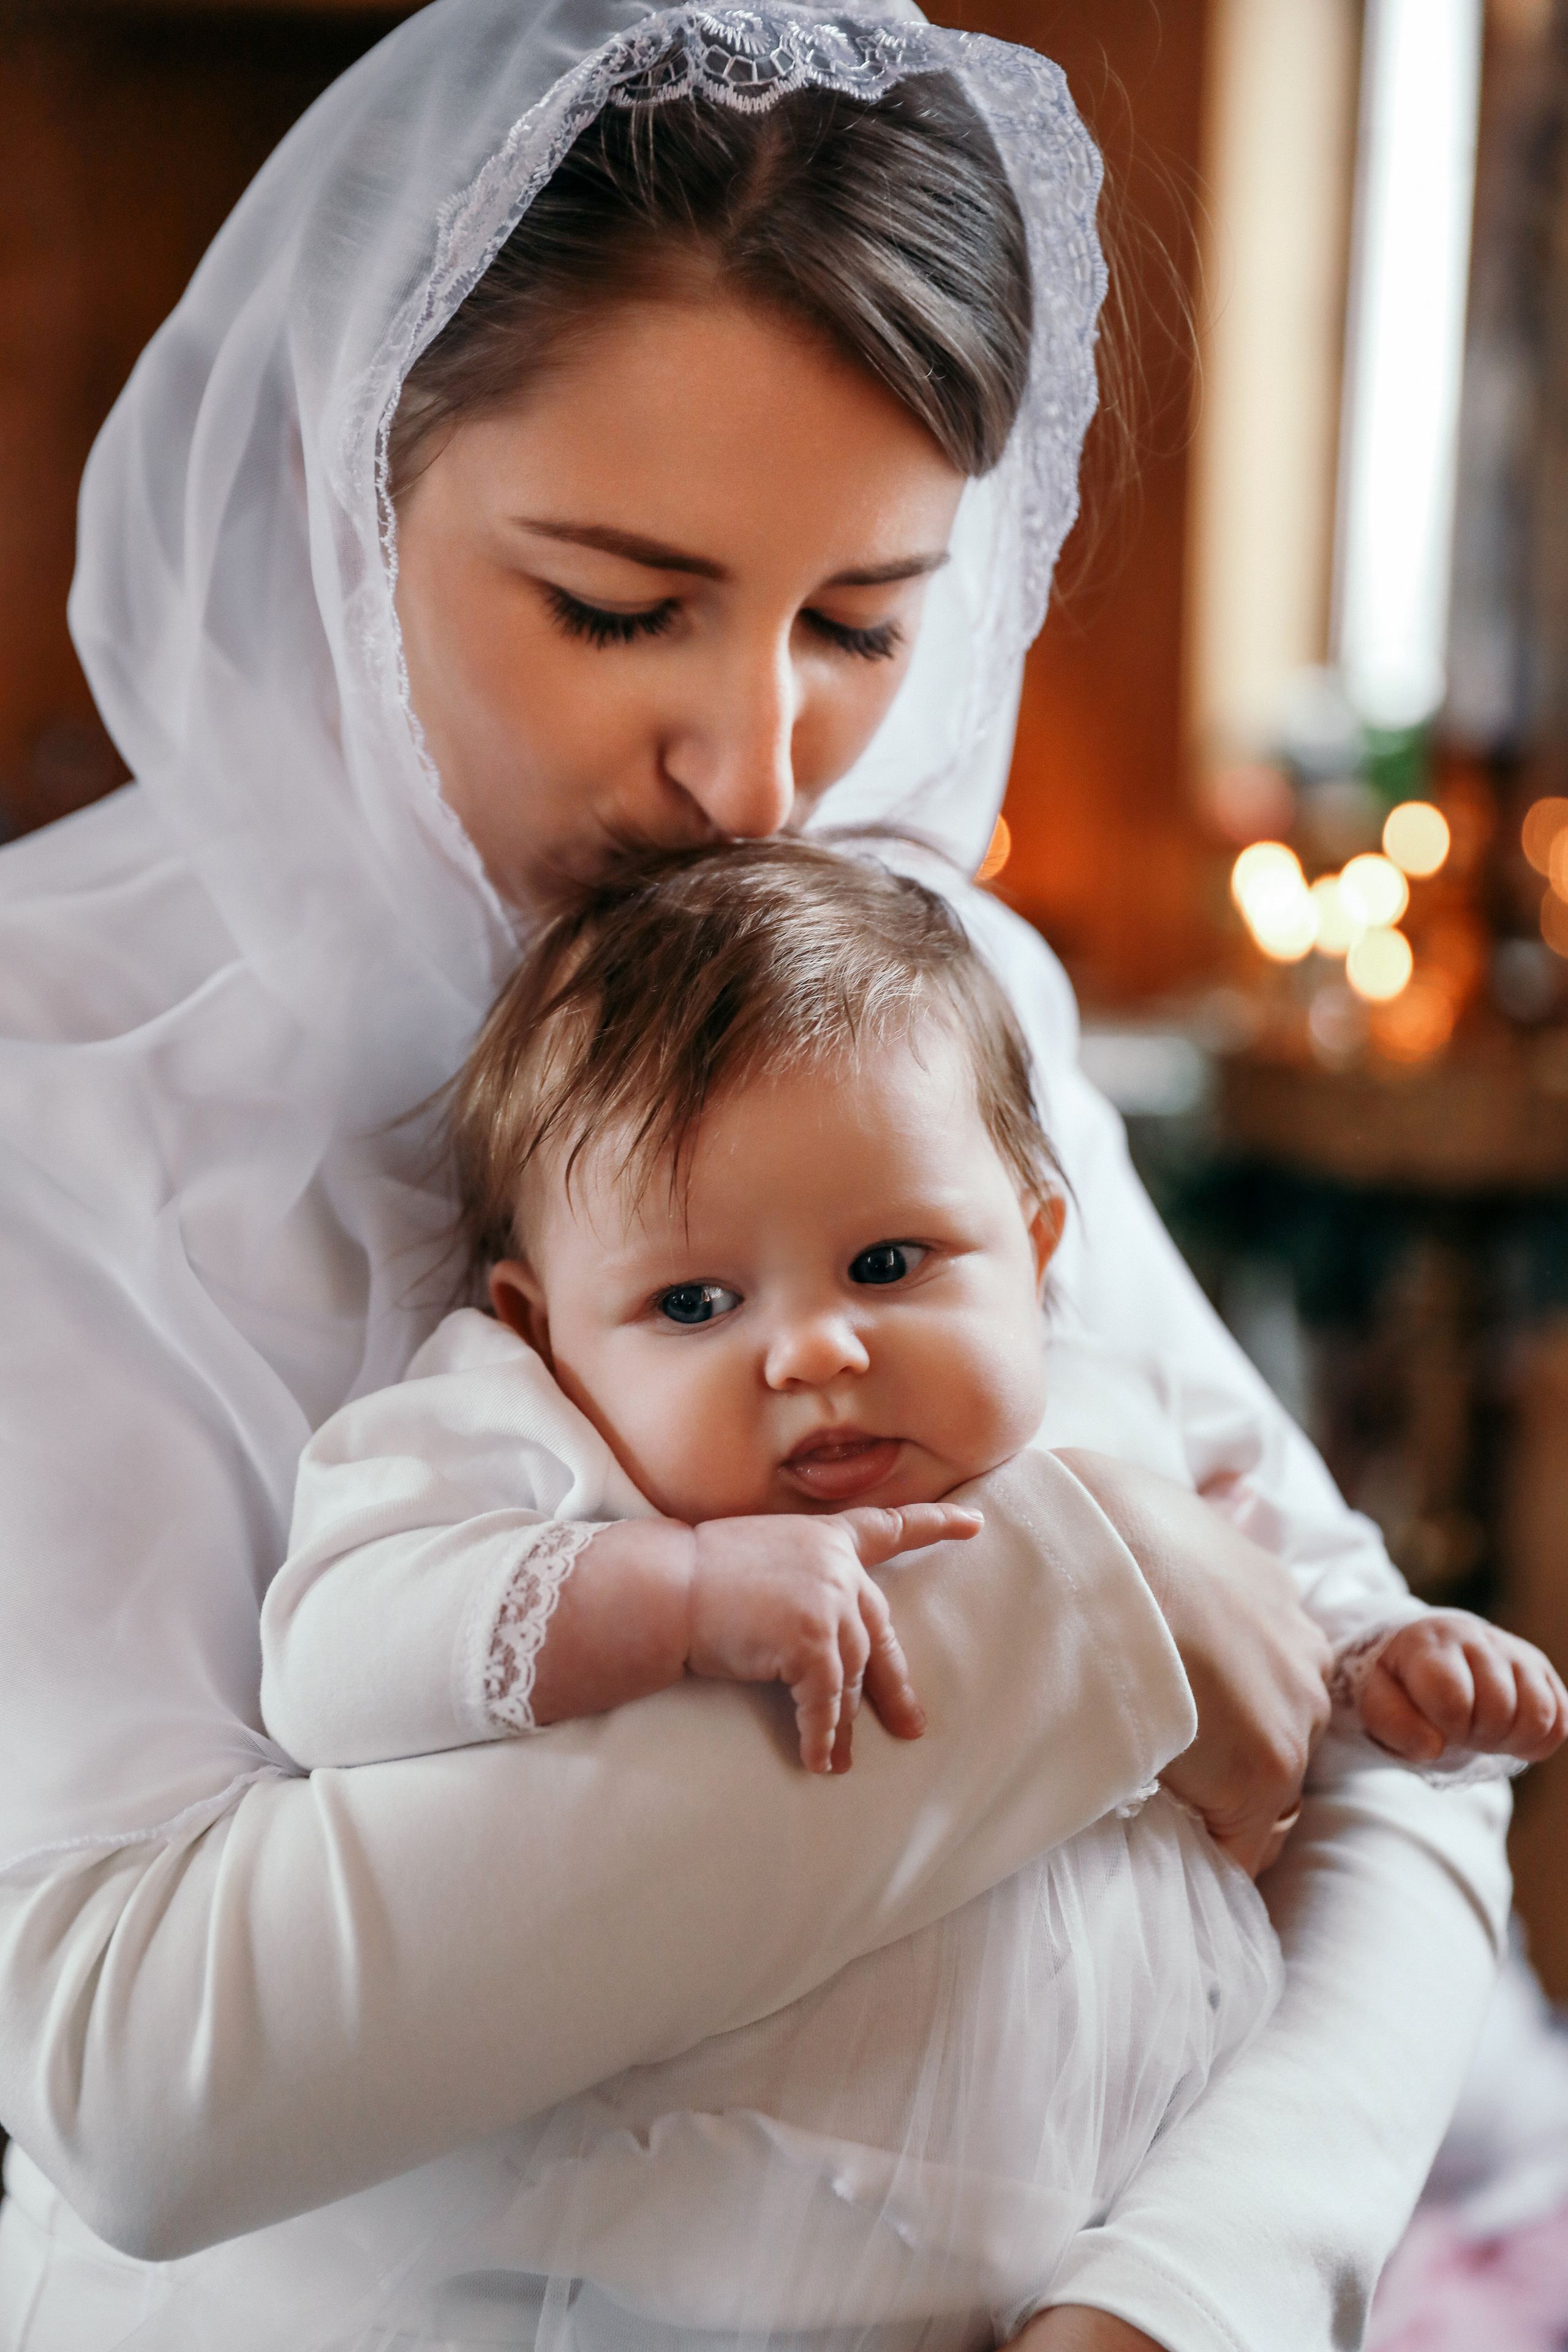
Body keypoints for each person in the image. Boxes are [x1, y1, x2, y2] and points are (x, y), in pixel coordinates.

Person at [0, 5, 1511, 2349]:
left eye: (863, 624)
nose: (757, 767)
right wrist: (1065, 1613)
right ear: (345, 481)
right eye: (619, 607)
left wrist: (1197, 2287)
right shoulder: (54, 1082)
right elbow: (138, 2075)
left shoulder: (931, 984)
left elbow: (1391, 1751)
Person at [245, 839, 1560, 2347]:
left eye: (886, 1260)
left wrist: (1382, 1659)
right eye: (692, 1303)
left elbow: (1281, 1607)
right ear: (540, 1327)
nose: (809, 1349)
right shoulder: (538, 1432)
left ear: (1032, 1243)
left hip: (1105, 2235)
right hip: (730, 2266)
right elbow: (331, 1652)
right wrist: (664, 1590)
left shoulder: (1105, 1401)